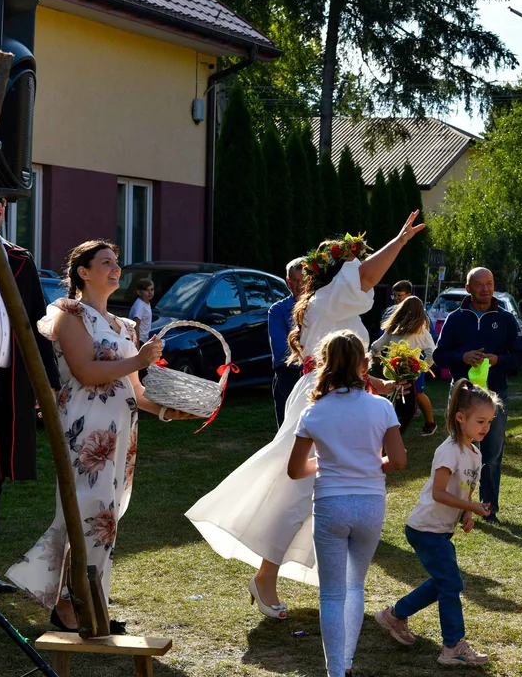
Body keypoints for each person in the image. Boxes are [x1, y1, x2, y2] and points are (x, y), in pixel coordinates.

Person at [185, 212, 424, 618]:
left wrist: (378, 384)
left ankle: (327, 583)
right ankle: (266, 577)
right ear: (338, 272)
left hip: (339, 395)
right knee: (296, 494)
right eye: (351, 264)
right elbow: (367, 275)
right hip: (323, 400)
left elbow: (344, 357)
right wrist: (399, 241)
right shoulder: (330, 298)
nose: (360, 270)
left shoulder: (331, 304)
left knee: (326, 495)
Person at [6, 240, 196, 630]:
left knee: (105, 520)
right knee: (88, 515)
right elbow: (86, 372)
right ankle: (75, 608)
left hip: (120, 433)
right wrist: (140, 359)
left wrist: (165, 411)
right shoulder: (68, 314)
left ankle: (87, 604)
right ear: (83, 272)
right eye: (106, 263)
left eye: (117, 264)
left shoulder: (123, 325)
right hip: (83, 431)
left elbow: (135, 392)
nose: (115, 269)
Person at [286, 330, 406, 677]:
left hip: (330, 504)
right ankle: (348, 663)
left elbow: (296, 470)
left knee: (332, 593)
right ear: (364, 365)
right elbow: (397, 461)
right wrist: (372, 463)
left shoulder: (314, 412)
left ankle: (336, 670)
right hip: (370, 503)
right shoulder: (381, 406)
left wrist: (327, 463)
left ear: (324, 365)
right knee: (355, 586)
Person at [374, 379, 497, 666]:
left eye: (489, 422)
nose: (485, 428)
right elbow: (438, 493)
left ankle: (394, 615)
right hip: (424, 528)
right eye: (480, 421)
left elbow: (466, 487)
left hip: (440, 530)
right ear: (460, 418)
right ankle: (453, 645)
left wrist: (467, 514)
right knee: (451, 583)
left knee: (444, 582)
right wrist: (471, 507)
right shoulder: (449, 450)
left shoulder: (475, 453)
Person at [0, 194, 60, 593]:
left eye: (0, 201)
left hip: (8, 382)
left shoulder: (18, 259)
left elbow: (38, 321)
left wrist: (48, 383)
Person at [433, 267, 522, 523]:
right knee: (458, 452)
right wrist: (462, 357)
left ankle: (488, 509)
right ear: (468, 288)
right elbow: (439, 356)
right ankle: (457, 506)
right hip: (462, 396)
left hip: (495, 395)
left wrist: (498, 360)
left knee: (492, 455)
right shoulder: (455, 318)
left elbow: (521, 358)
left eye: (490, 283)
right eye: (480, 284)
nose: (486, 288)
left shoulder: (506, 319)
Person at [371, 295, 436, 435]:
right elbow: (433, 354)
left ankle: (389, 435)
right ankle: (395, 437)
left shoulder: (393, 330)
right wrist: (421, 368)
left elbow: (376, 346)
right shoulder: (422, 333)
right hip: (408, 376)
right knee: (407, 411)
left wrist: (379, 359)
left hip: (392, 375)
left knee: (393, 406)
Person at [268, 258, 305, 427]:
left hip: (318, 376)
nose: (300, 286)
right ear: (288, 282)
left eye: (304, 281)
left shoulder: (321, 307)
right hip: (289, 377)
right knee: (287, 430)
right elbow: (281, 351)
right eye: (295, 281)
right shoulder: (278, 310)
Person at [128, 278, 153, 345]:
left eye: (152, 289)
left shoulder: (146, 303)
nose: (150, 292)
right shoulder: (139, 306)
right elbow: (136, 325)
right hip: (140, 340)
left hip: (144, 339)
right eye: (146, 290)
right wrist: (137, 345)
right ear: (139, 292)